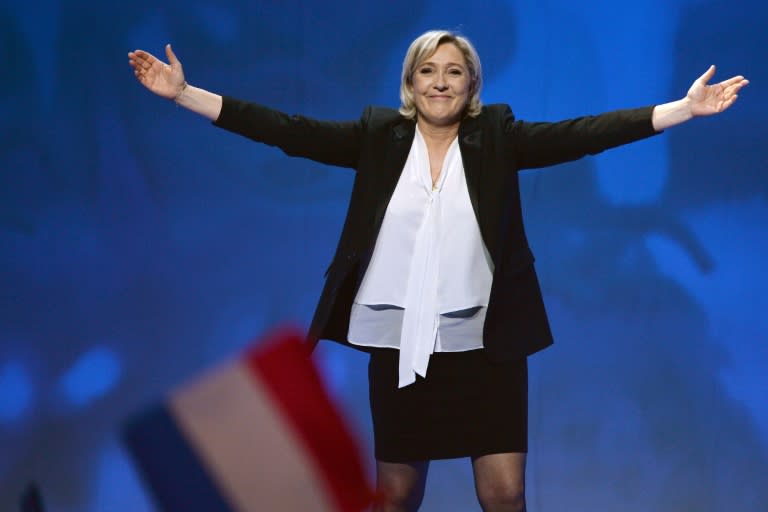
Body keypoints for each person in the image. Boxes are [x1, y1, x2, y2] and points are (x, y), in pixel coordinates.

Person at [128, 30, 747, 512]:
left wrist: (682, 111)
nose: (440, 82)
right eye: (428, 71)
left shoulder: (498, 135)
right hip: (400, 346)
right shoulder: (377, 136)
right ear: (411, 82)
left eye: (454, 72)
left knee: (503, 495)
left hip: (488, 347)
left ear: (472, 84)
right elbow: (287, 132)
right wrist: (184, 93)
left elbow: (583, 134)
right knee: (397, 496)